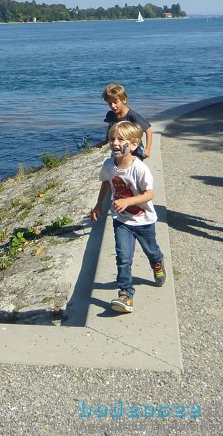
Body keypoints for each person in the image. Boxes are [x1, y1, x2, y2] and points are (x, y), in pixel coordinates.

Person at [89, 120, 165, 313]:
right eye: (112, 138)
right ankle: (125, 294)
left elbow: (149, 194)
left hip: (144, 221)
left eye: (120, 139)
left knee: (151, 250)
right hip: (121, 220)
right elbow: (107, 182)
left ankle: (157, 262)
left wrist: (128, 202)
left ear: (133, 144)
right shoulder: (109, 165)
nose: (114, 143)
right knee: (123, 257)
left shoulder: (139, 168)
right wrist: (99, 205)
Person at [100, 83, 152, 160]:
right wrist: (106, 141)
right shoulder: (110, 115)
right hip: (119, 148)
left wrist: (147, 149)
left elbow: (148, 130)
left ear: (124, 100)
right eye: (110, 103)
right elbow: (111, 128)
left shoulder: (132, 115)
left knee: (134, 169)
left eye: (115, 102)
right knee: (115, 166)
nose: (113, 106)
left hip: (135, 150)